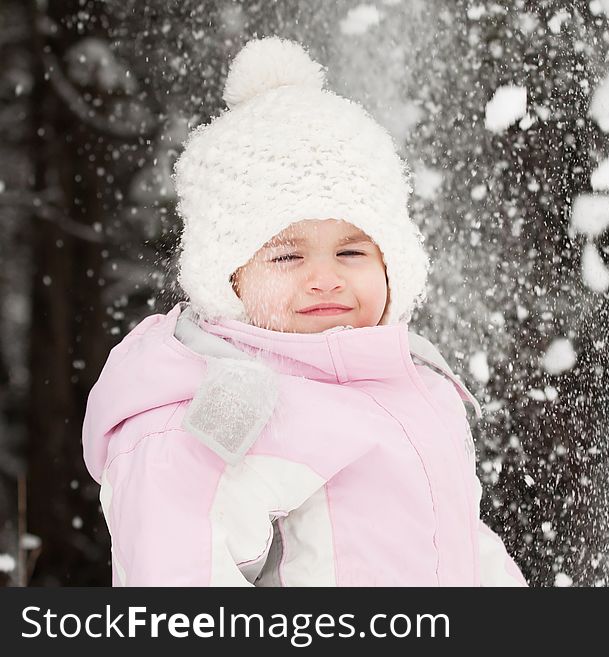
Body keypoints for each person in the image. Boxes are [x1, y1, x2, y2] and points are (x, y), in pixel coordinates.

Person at [81, 36, 528, 587]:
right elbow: (178, 561)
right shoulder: (225, 404)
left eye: (352, 251)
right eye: (288, 255)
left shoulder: (412, 384)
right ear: (230, 278)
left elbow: (454, 541)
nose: (325, 277)